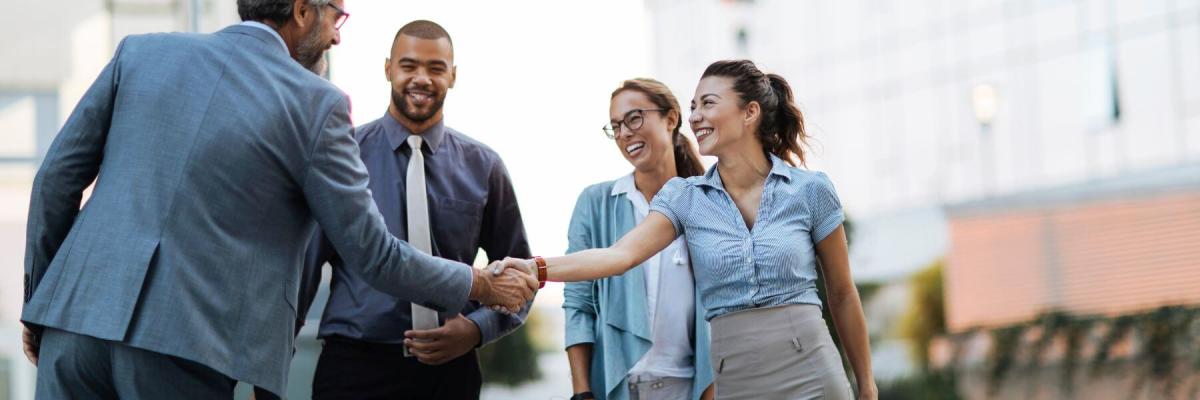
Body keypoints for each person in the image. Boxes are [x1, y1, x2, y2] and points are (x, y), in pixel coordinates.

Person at [20, 1, 535, 398]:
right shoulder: (316, 103)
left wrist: (38, 303)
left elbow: (55, 181)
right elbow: (372, 253)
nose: (336, 33)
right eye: (337, 15)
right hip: (186, 345)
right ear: (302, 11)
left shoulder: (140, 52)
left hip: (73, 325)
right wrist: (478, 284)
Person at [500, 60, 877, 399]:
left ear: (750, 112)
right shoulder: (684, 197)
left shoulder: (810, 190)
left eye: (708, 103)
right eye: (693, 106)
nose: (695, 116)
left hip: (812, 370)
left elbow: (843, 294)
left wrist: (867, 385)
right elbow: (619, 256)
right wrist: (537, 268)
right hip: (736, 380)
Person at [296, 19, 533, 400]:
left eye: (436, 68)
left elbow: (522, 276)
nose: (421, 78)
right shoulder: (343, 156)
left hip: (449, 375)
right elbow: (301, 272)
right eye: (409, 66)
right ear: (388, 68)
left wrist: (477, 330)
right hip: (354, 370)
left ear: (452, 76)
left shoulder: (484, 166)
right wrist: (268, 371)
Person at [562, 78, 714, 400]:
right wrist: (581, 392)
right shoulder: (596, 202)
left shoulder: (709, 202)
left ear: (671, 119)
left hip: (688, 389)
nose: (624, 133)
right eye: (616, 126)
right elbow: (578, 304)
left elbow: (719, 308)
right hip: (614, 389)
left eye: (634, 118)